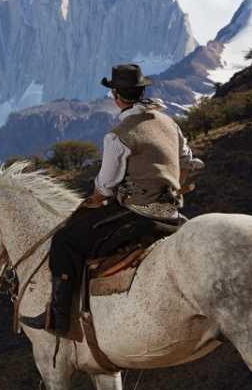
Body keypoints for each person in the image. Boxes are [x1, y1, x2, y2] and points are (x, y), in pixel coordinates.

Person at [20, 63, 204, 336]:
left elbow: (106, 186)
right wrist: (172, 184)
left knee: (64, 241)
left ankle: (59, 319)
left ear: (117, 96)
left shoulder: (118, 136)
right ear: (141, 92)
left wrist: (94, 200)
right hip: (172, 212)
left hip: (138, 213)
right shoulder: (169, 122)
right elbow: (189, 162)